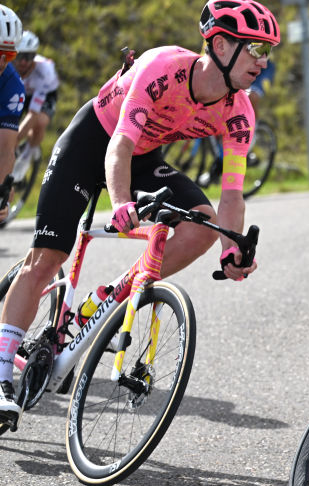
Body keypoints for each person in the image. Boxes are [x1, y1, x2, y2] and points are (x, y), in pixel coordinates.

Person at [0, 0, 281, 428]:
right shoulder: (162, 68)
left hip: (145, 156)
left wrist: (231, 248)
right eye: (257, 50)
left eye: (269, 52)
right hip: (95, 141)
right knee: (47, 259)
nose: (264, 62)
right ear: (221, 45)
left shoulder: (239, 111)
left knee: (200, 223)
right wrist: (121, 202)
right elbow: (120, 146)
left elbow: (231, 196)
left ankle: (116, 292)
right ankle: (1, 376)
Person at [11, 30, 59, 183]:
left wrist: (15, 139)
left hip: (45, 94)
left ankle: (26, 157)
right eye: (20, 56)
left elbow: (33, 112)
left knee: (39, 121)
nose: (24, 61)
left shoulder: (44, 70)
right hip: (23, 92)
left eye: (29, 56)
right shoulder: (7, 67)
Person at [0, 4, 25, 224]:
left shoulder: (12, 84)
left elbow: (5, 148)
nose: (1, 62)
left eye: (8, 55)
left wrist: (1, 194)